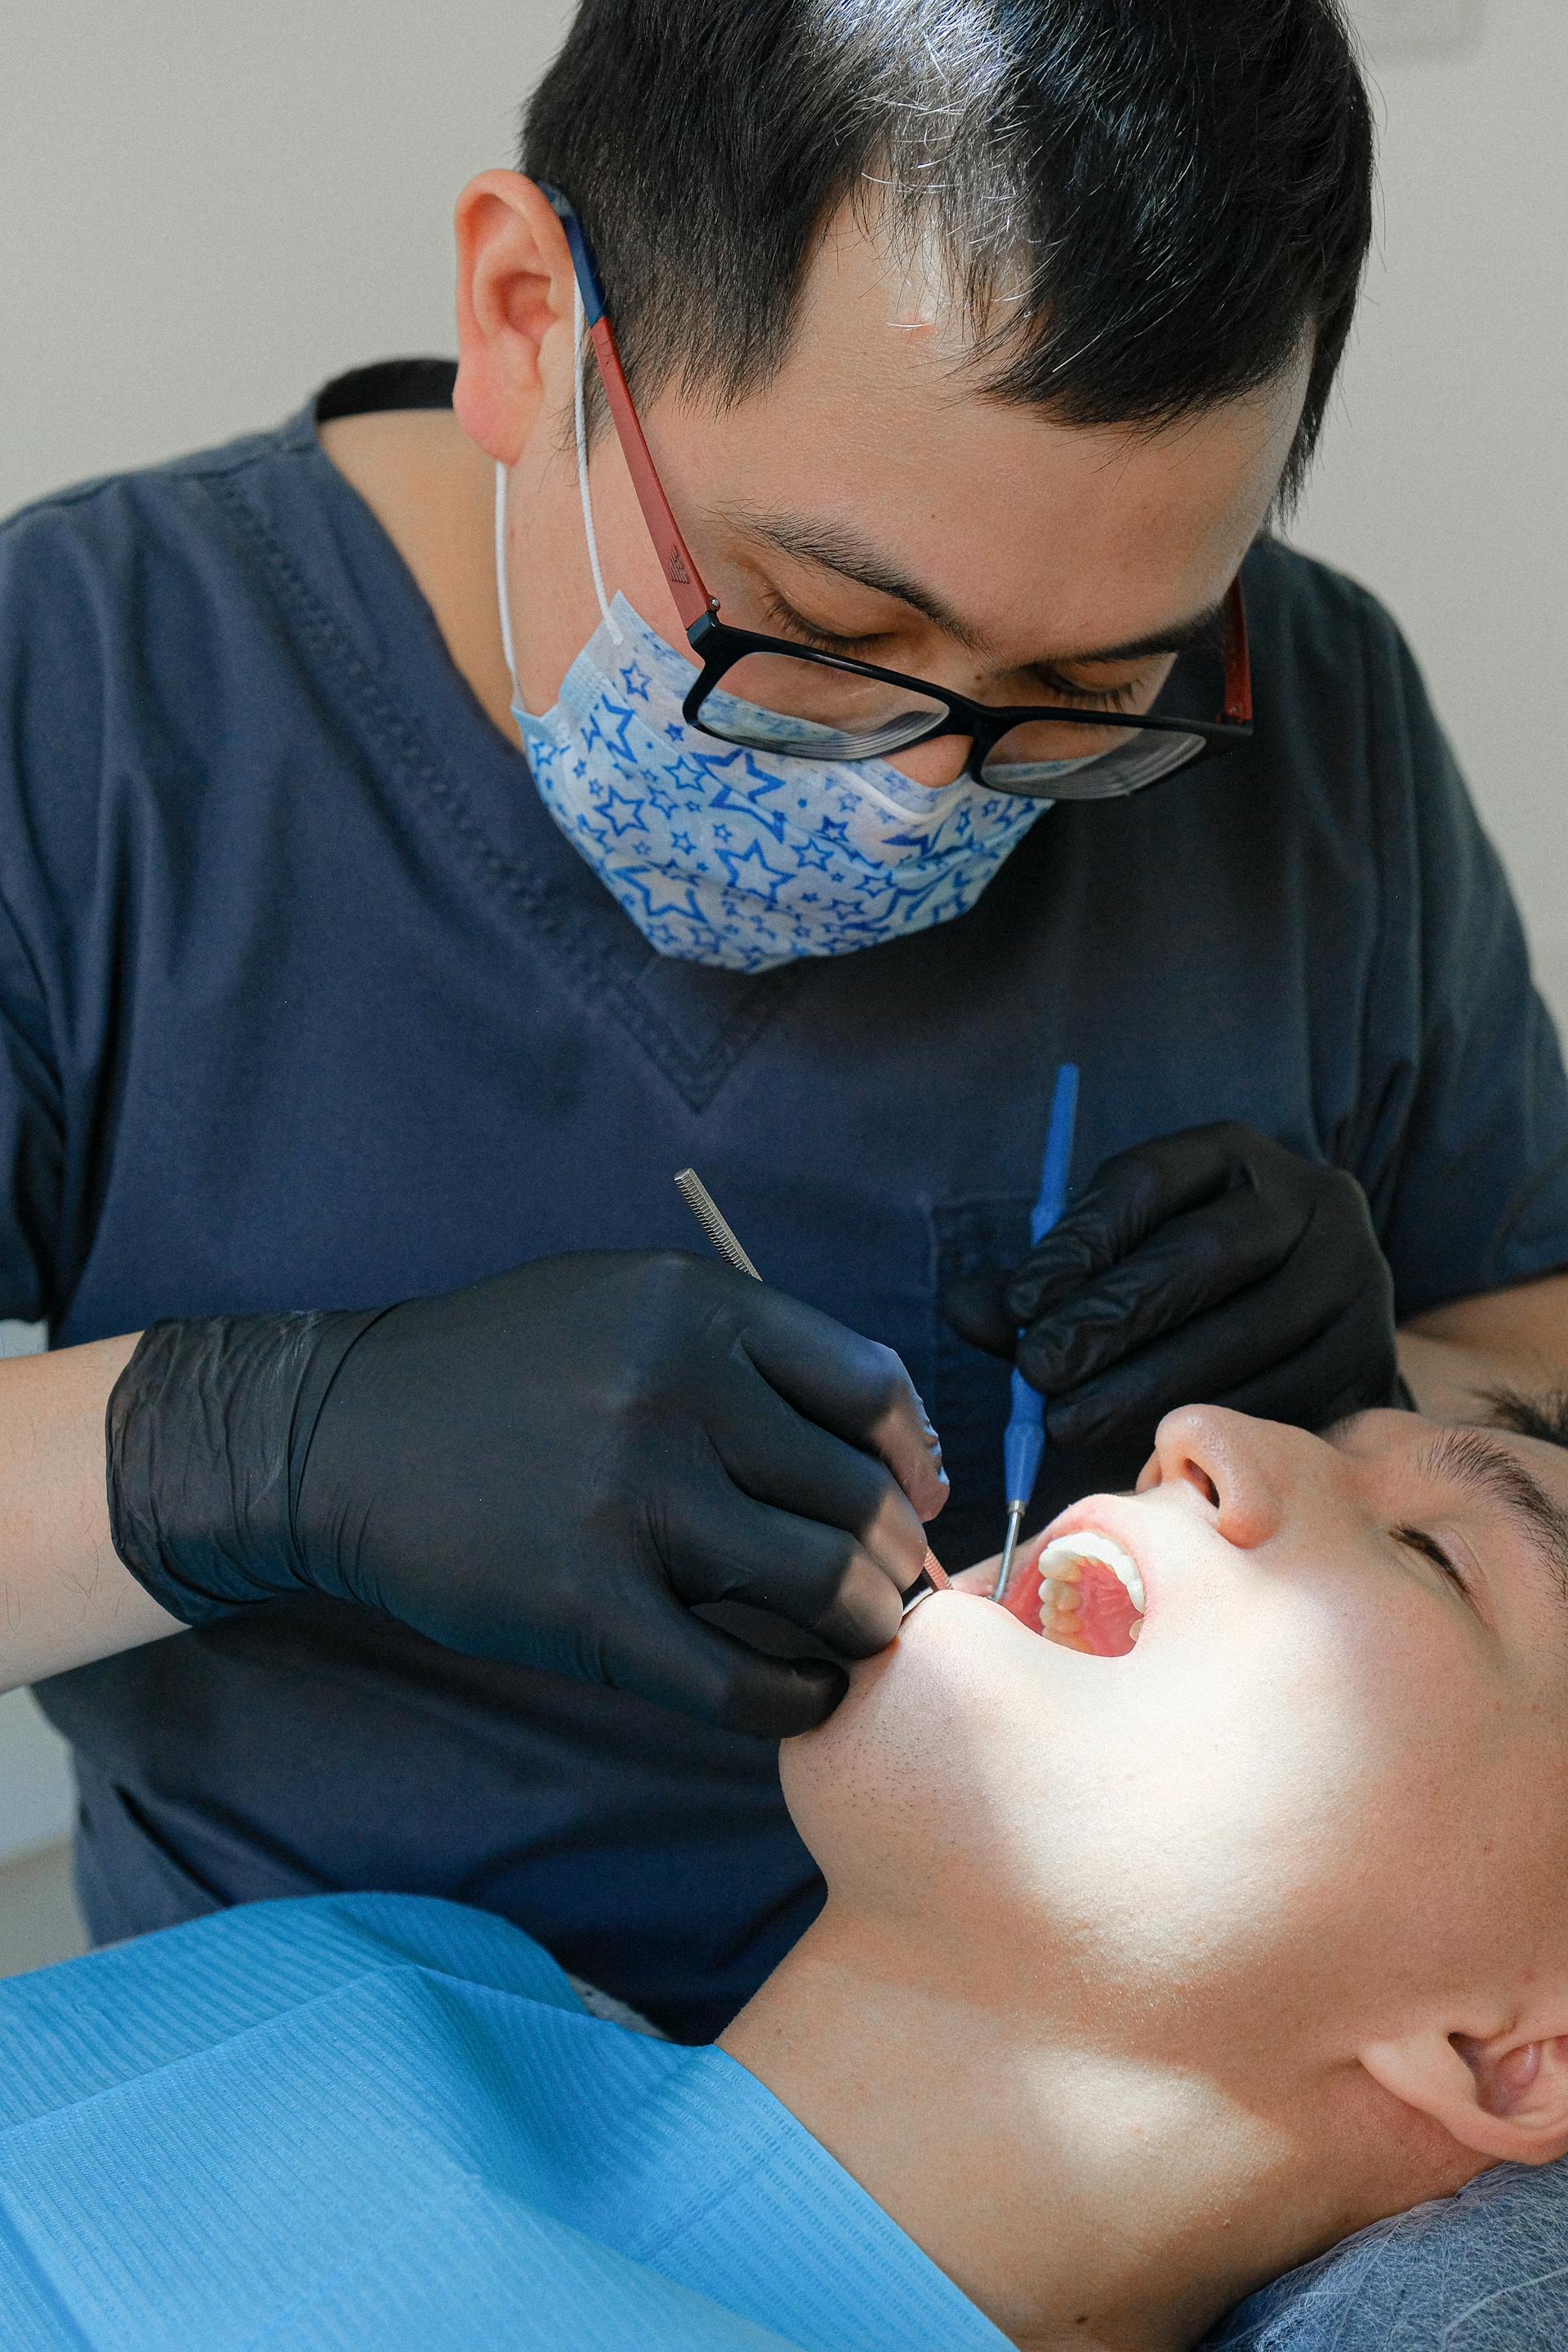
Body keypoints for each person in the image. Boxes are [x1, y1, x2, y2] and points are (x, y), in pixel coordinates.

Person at [2, 0, 1568, 2044]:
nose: (927, 789)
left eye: (1088, 694)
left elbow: (1535, 1354)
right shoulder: (88, 701)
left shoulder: (1310, 714)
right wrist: (254, 1448)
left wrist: (1394, 1397)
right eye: (824, 632)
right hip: (358, 2091)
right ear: (527, 321)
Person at [5, 1393, 1568, 2351]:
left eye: (1436, 1551)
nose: (1204, 1430)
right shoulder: (365, 1977)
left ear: (1518, 2052)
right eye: (1345, 1439)